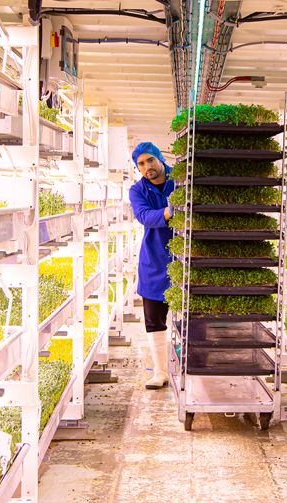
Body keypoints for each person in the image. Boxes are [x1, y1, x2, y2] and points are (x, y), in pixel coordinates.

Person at [128, 141, 174, 389]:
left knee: (191, 316)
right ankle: (160, 372)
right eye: (141, 164)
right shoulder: (137, 190)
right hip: (154, 261)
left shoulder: (181, 180)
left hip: (188, 257)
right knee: (154, 318)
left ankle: (189, 365)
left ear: (160, 158)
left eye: (150, 160)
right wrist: (169, 212)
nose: (147, 167)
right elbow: (144, 216)